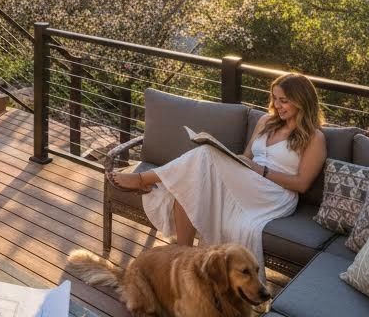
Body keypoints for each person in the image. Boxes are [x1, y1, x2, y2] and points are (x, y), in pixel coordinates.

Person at [109, 73, 327, 272]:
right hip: (249, 179)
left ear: (301, 100)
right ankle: (183, 258)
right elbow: (247, 157)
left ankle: (143, 180)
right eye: (275, 99)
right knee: (191, 183)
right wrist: (237, 161)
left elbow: (302, 184)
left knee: (204, 154)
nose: (277, 106)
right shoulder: (266, 121)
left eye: (284, 101)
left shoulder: (314, 137)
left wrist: (262, 171)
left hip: (275, 194)